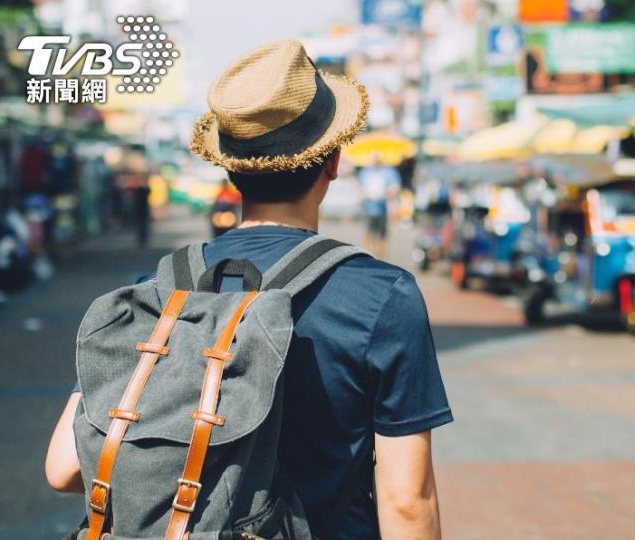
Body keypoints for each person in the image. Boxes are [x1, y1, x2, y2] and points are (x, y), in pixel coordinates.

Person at [44, 39, 451, 540]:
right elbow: (407, 501)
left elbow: (64, 466)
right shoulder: (383, 296)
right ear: (333, 161)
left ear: (231, 167)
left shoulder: (157, 292)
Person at [359, 155, 400, 260]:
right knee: (368, 233)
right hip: (369, 206)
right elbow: (359, 187)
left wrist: (384, 195)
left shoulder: (389, 171)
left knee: (382, 235)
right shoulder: (365, 172)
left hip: (383, 207)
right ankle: (366, 257)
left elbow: (395, 188)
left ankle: (382, 259)